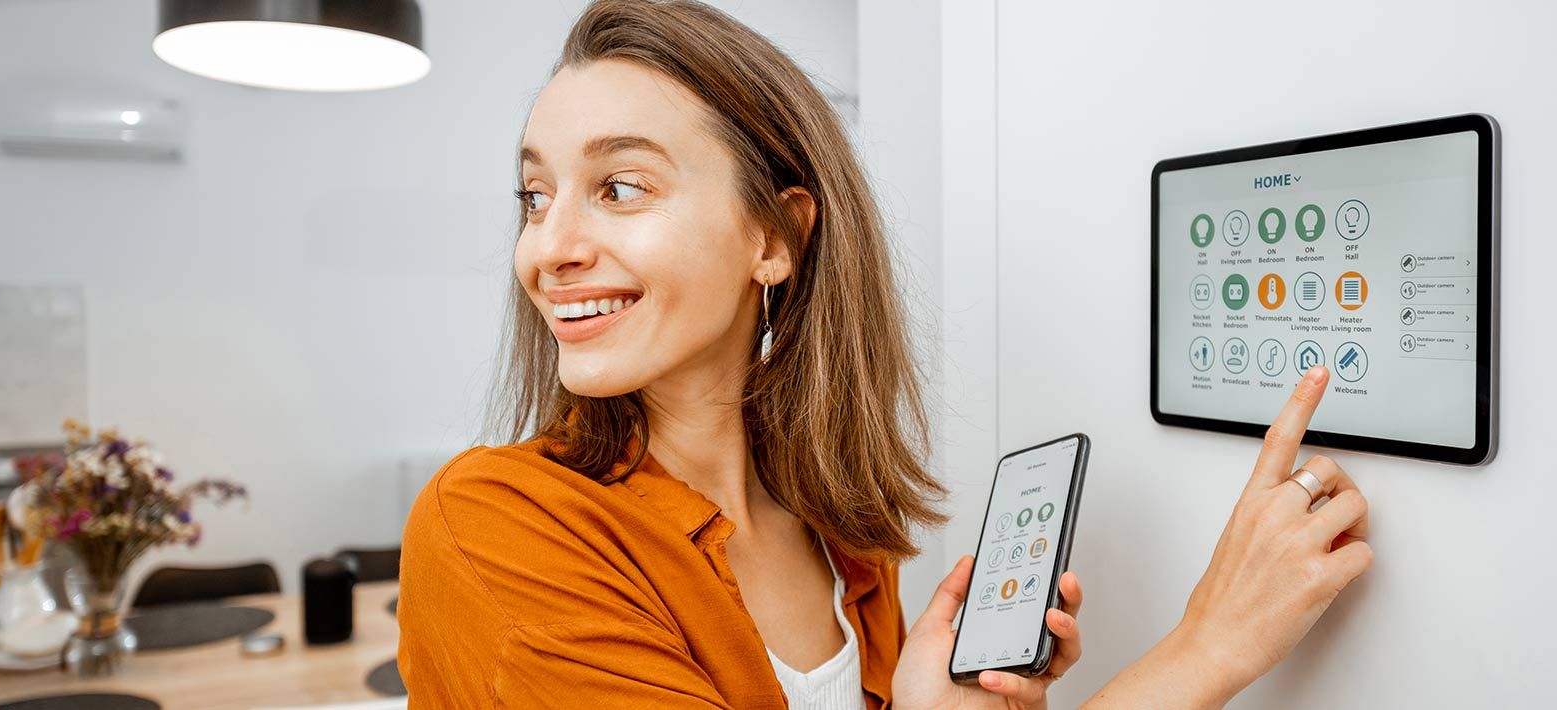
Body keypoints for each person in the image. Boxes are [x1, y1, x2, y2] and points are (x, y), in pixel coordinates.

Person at [396, 1, 1372, 708]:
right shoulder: (488, 527)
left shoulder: (839, 529)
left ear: (773, 236)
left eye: (617, 187)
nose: (548, 247)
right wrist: (1208, 643)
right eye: (534, 195)